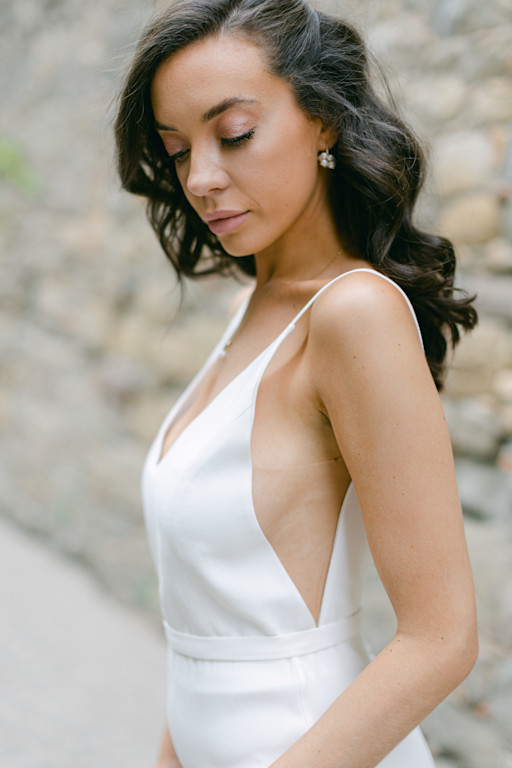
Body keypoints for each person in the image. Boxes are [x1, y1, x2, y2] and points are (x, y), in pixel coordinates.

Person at [114, 1, 479, 766]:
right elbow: (208, 639)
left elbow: (441, 638)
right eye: (177, 151)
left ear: (323, 122)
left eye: (234, 134)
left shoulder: (354, 314)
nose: (201, 179)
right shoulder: (254, 308)